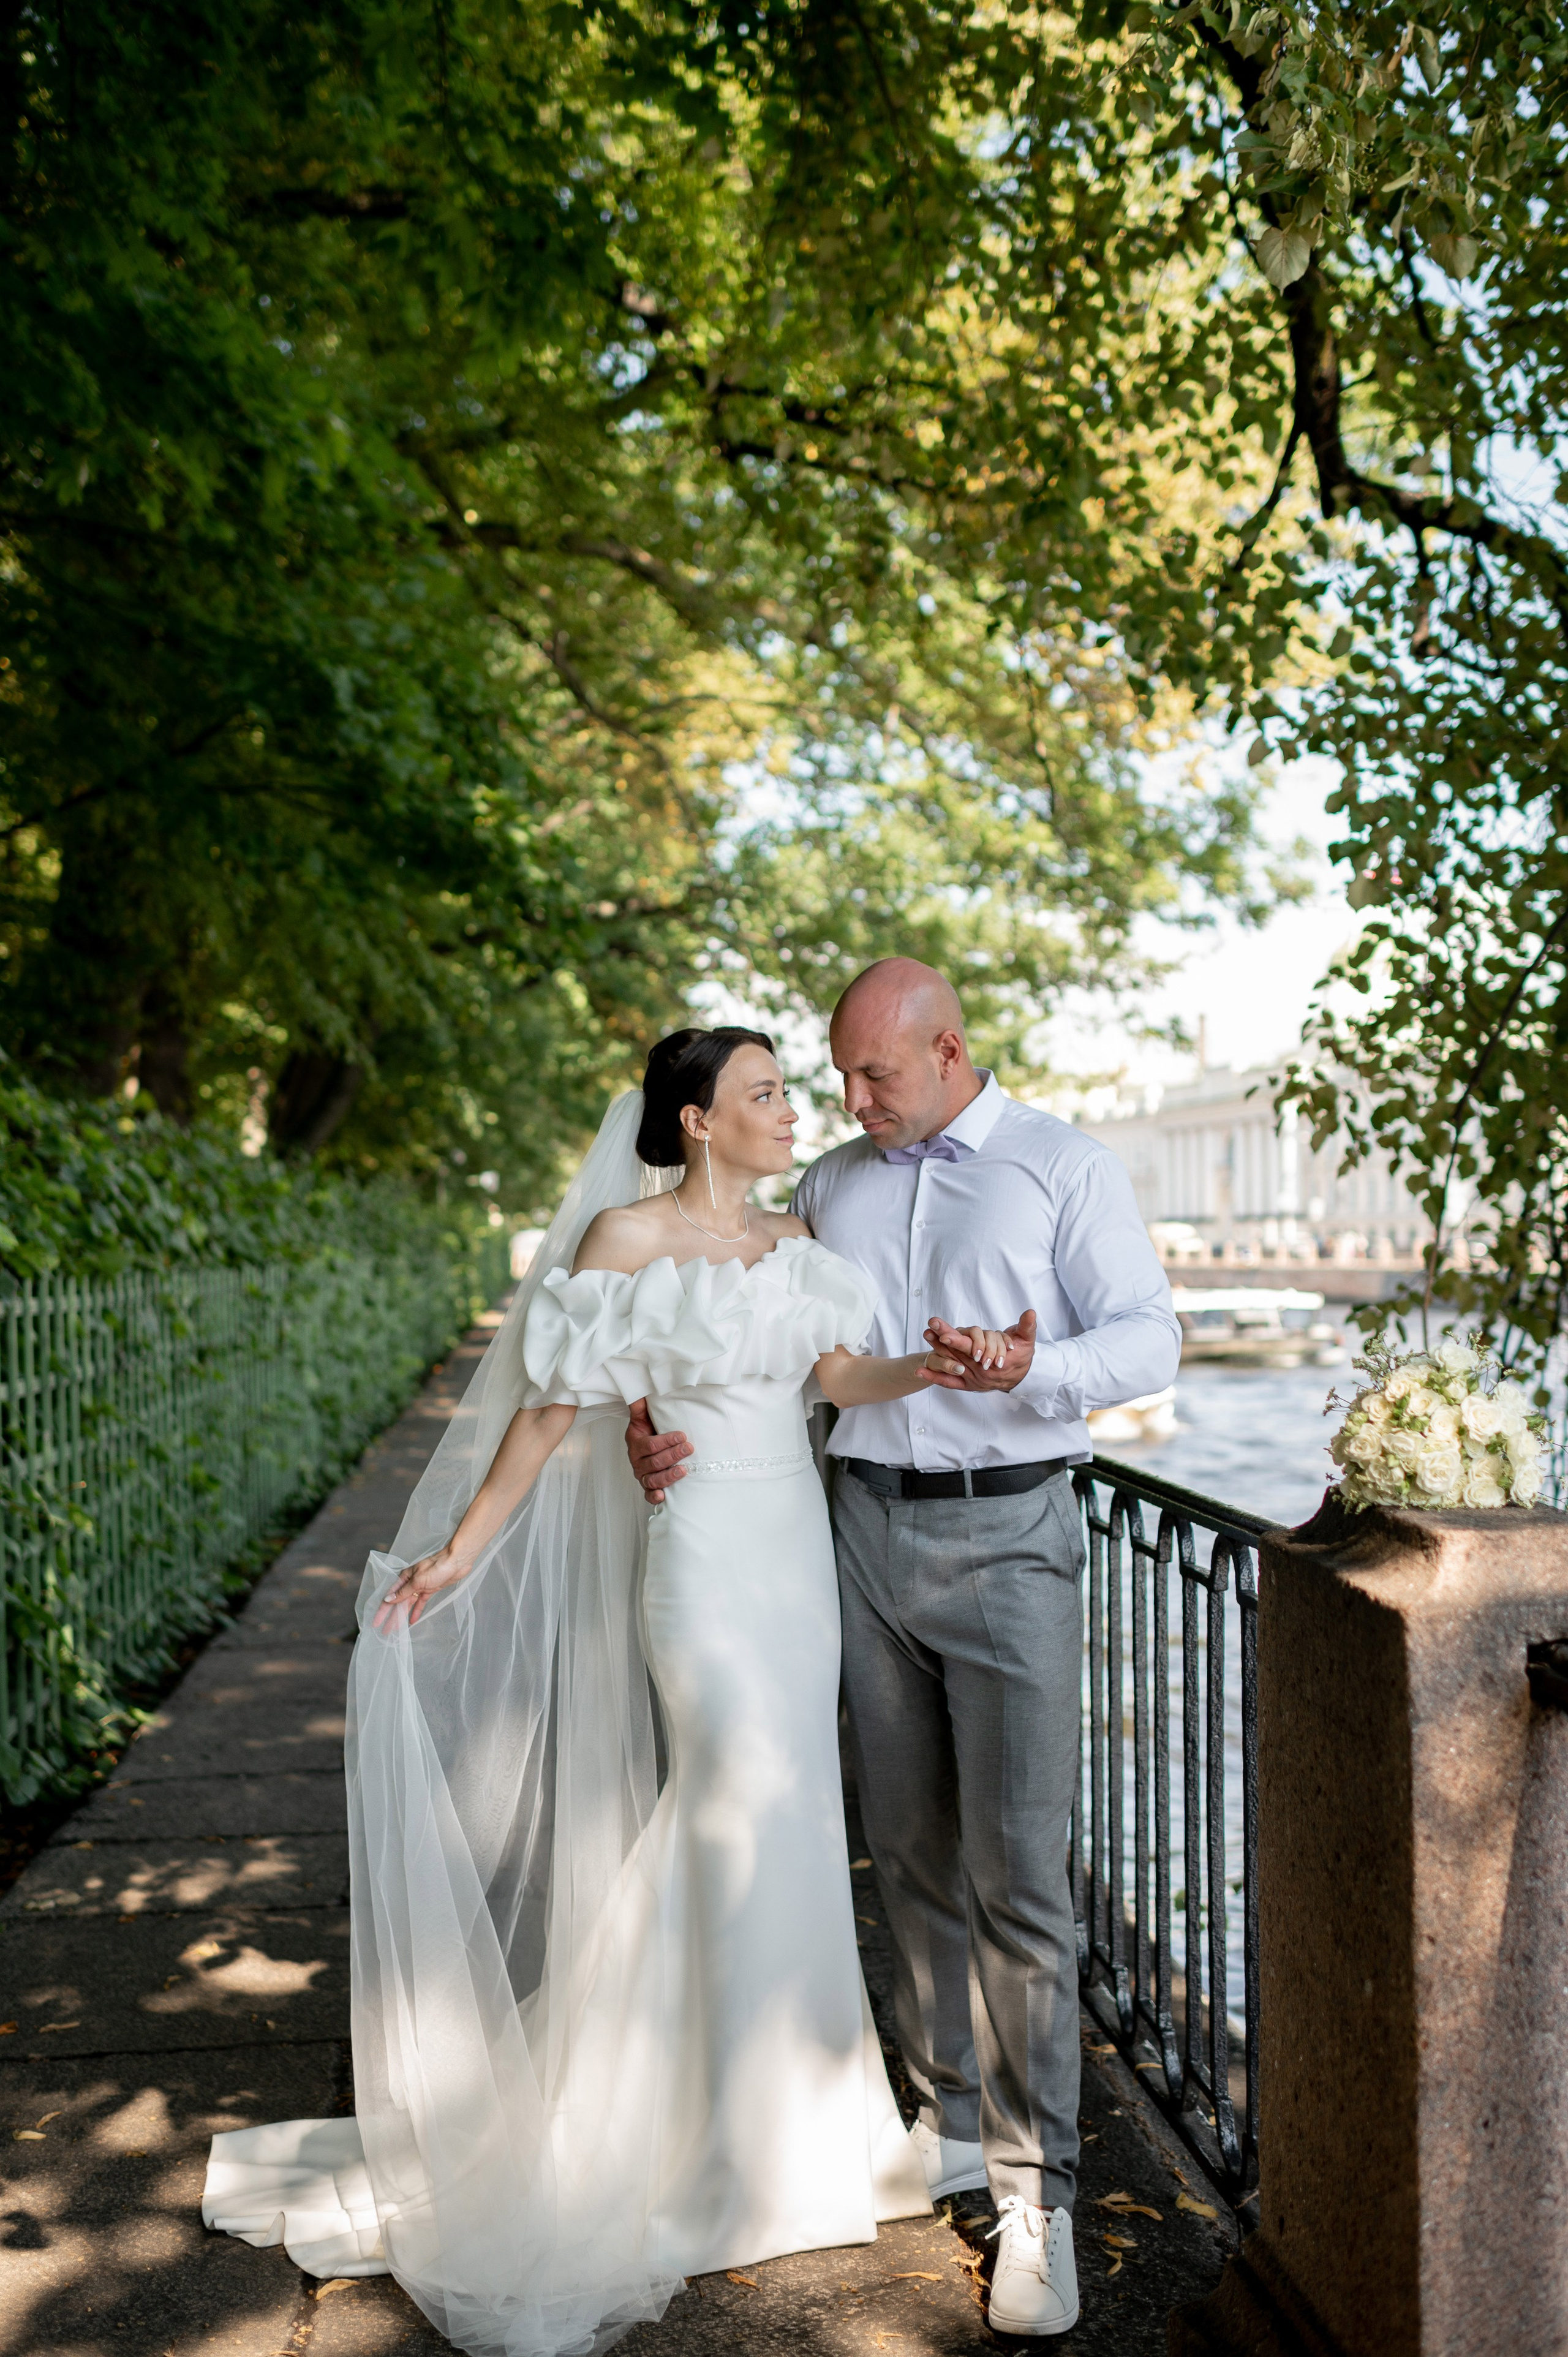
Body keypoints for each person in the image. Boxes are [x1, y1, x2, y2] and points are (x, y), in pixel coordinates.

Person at [202, 1025, 1022, 2357]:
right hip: (697, 1559)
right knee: (722, 1797)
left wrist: (926, 1367)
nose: (787, 1111)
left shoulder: (800, 1251)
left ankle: (800, 2128)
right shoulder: (622, 1248)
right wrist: (457, 1554)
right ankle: (668, 2131)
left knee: (795, 1819)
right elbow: (547, 1408)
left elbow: (831, 1382)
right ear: (694, 1119)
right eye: (761, 1093)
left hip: (792, 1562)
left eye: (783, 1092)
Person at [627, 960, 1182, 2338]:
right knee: (910, 1854)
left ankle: (1035, 2201)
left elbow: (1150, 1336)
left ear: (947, 1048)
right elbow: (755, 1337)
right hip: (855, 1540)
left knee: (1019, 1882)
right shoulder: (832, 1184)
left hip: (1012, 1542)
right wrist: (650, 1422)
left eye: (872, 1076)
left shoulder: (1062, 1166)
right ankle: (938, 2122)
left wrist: (1027, 1369)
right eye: (835, 1076)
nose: (849, 1101)